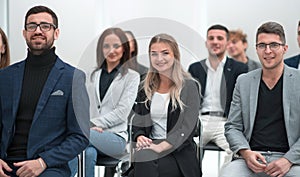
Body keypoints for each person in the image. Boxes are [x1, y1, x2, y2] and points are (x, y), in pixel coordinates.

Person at [0, 5, 89, 177]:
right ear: (24, 33)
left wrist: (43, 161)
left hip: (48, 167)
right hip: (6, 164)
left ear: (56, 33)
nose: (38, 30)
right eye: (32, 26)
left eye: (45, 26)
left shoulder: (73, 78)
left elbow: (80, 136)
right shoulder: (5, 77)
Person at [221, 21, 300, 177]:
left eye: (274, 45)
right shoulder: (243, 81)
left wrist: (288, 160)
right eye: (262, 45)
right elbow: (232, 127)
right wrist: (245, 153)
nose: (267, 51)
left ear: (285, 49)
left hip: (290, 160)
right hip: (250, 158)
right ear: (256, 49)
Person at [69, 27, 140, 177]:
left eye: (116, 46)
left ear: (124, 48)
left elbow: (122, 112)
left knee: (76, 135)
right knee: (88, 153)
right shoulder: (90, 75)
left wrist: (93, 124)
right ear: (101, 49)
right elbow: (81, 106)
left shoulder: (132, 77)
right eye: (106, 46)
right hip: (90, 135)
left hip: (115, 138)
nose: (111, 50)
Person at [129, 33, 202, 177]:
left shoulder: (189, 86)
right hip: (150, 148)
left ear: (175, 55)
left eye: (165, 53)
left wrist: (161, 146)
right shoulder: (145, 86)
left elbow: (187, 129)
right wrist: (139, 137)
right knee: (144, 158)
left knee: (144, 162)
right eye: (154, 54)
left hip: (178, 153)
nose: (159, 59)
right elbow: (138, 121)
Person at [188, 24, 248, 164]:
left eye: (220, 38)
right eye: (211, 38)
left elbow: (242, 101)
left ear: (227, 43)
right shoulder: (195, 68)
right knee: (187, 150)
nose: (215, 41)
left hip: (225, 123)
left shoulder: (239, 68)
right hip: (200, 121)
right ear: (206, 43)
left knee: (236, 151)